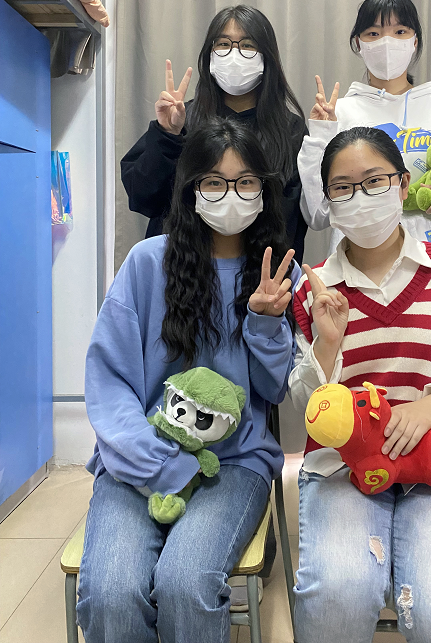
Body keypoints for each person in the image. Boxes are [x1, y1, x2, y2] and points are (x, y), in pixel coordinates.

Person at [289, 127, 431, 643]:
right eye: (342, 188)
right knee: (337, 596)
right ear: (329, 202)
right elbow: (307, 407)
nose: (360, 197)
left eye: (374, 181)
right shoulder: (314, 291)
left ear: (403, 184)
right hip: (345, 467)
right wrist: (327, 344)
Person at [79, 119, 299, 643]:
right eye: (214, 182)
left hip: (235, 463)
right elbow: (109, 381)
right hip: (139, 457)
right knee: (111, 593)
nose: (231, 195)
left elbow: (274, 393)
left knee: (185, 583)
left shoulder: (275, 274)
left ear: (264, 191)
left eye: (246, 182)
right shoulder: (146, 263)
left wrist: (265, 323)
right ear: (191, 189)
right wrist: (160, 463)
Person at [298, 0, 431, 251]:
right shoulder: (340, 112)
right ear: (358, 43)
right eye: (373, 33)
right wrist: (321, 134)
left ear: (415, 41)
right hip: (358, 258)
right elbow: (317, 214)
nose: (387, 42)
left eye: (400, 31)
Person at [121, 5, 309, 260]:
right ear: (209, 54)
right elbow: (143, 198)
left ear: (267, 56)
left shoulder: (290, 130)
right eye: (223, 44)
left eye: (247, 45)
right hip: (183, 268)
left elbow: (293, 218)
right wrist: (167, 135)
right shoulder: (182, 120)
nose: (234, 54)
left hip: (260, 272)